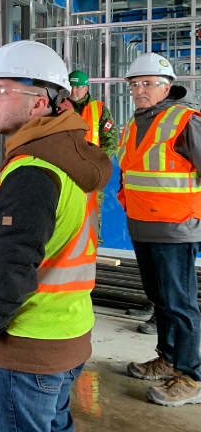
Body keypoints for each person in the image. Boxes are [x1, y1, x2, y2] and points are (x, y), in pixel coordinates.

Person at [0, 40, 111, 432]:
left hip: (28, 346)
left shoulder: (32, 170)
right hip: (65, 332)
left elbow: (13, 263)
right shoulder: (66, 153)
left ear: (38, 103)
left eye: (1, 89)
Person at [118, 52, 201, 407]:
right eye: (135, 84)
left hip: (175, 226)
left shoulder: (185, 120)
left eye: (147, 84)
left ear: (167, 87)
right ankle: (167, 360)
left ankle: (192, 375)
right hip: (142, 225)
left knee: (180, 303)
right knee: (161, 299)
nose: (139, 90)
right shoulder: (133, 123)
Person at [66, 70, 117, 157]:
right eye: (71, 86)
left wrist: (100, 162)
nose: (73, 91)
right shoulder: (58, 108)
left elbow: (110, 140)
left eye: (77, 87)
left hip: (91, 162)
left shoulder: (100, 110)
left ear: (86, 89)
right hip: (64, 162)